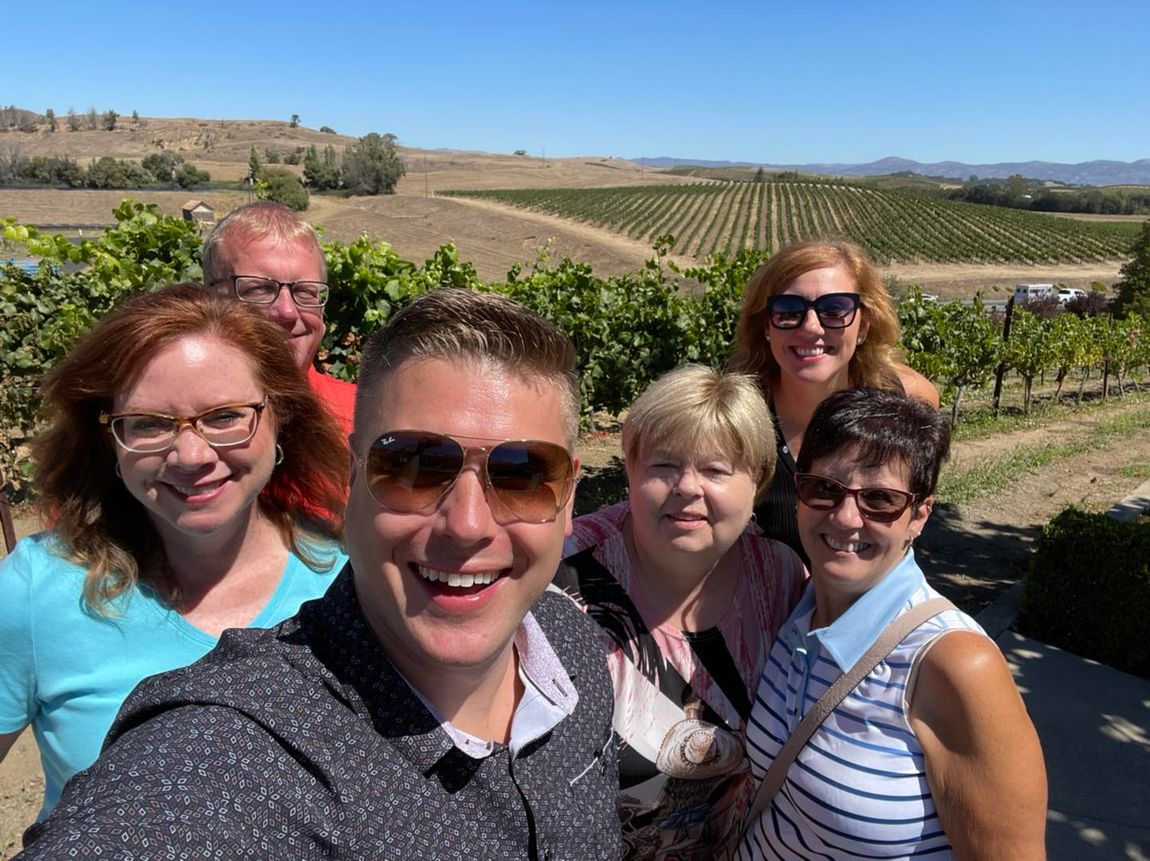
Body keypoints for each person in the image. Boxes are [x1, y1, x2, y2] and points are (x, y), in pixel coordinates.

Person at [20, 288, 622, 859]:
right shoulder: (231, 755)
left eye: (522, 473)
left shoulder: (570, 647)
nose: (467, 525)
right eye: (412, 465)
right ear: (353, 478)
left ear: (569, 497)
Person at [0, 283, 348, 820]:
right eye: (148, 424)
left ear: (280, 417)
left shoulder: (352, 588)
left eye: (226, 415)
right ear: (110, 444)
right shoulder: (35, 589)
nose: (191, 454)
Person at [739, 388, 1047, 859]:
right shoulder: (791, 607)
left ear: (919, 515)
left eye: (880, 499)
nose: (845, 518)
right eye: (824, 488)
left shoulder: (955, 665)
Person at [557, 364, 807, 860]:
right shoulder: (560, 580)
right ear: (630, 466)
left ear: (757, 481)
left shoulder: (779, 579)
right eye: (664, 465)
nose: (687, 487)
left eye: (715, 470)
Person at [729, 239, 940, 560]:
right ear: (766, 326)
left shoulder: (904, 399)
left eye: (835, 309)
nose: (811, 327)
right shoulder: (736, 420)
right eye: (788, 311)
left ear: (863, 326)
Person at [201, 200, 356, 434]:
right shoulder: (169, 426)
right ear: (209, 299)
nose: (287, 312)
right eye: (259, 289)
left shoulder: (363, 419)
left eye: (304, 291)